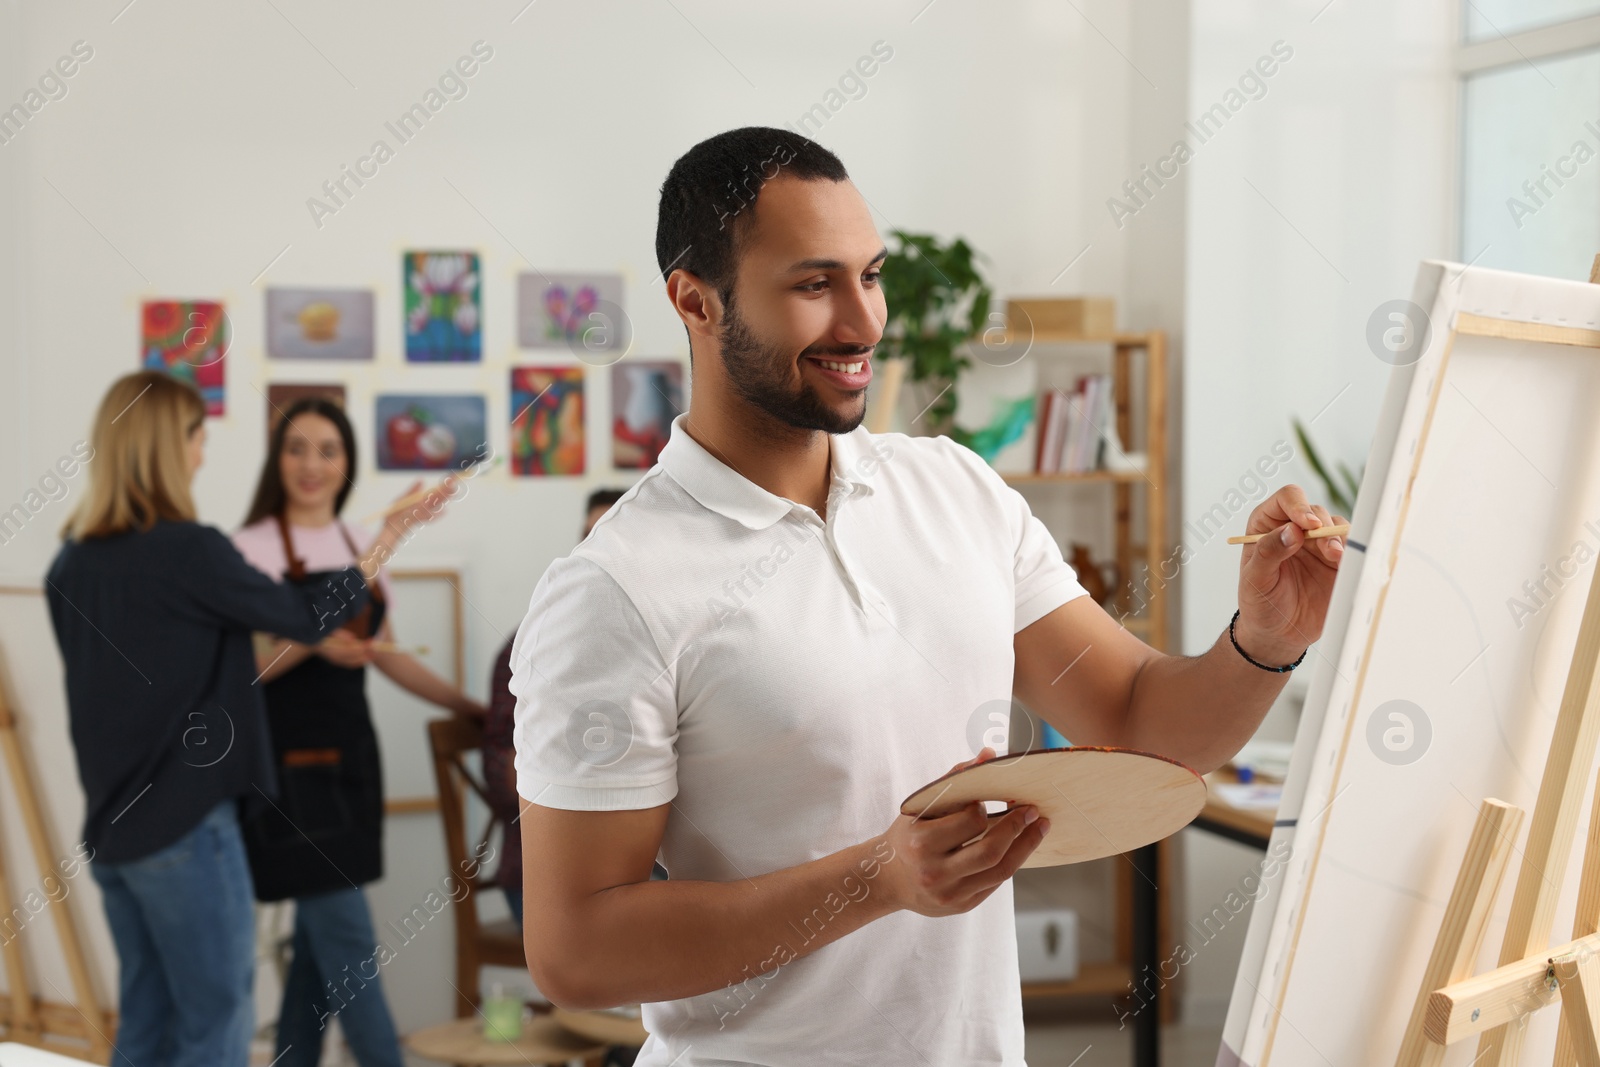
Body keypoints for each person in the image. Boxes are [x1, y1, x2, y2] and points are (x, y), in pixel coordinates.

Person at [510, 127, 1346, 1065]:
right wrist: (878, 876)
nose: (863, 322)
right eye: (813, 283)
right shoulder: (614, 587)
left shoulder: (957, 490)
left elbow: (1144, 724)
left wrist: (1264, 639)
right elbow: (576, 950)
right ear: (695, 301)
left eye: (870, 276)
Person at [45, 371, 423, 1067]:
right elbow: (310, 614)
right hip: (187, 831)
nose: (201, 453)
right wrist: (389, 534)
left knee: (148, 1024)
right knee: (217, 1024)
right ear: (164, 445)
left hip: (112, 834)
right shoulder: (189, 550)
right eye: (194, 436)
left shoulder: (70, 564)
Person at [231, 397, 486, 1067]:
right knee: (350, 953)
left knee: (320, 954)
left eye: (328, 449)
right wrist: (313, 646)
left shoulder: (355, 544)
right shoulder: (248, 548)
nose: (312, 464)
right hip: (286, 774)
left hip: (350, 763)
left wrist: (472, 705)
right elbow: (241, 671)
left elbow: (389, 651)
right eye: (297, 448)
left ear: (346, 463)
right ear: (276, 459)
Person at [484, 487, 628, 928]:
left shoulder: (677, 644)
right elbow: (512, 783)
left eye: (613, 536)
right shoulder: (533, 644)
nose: (598, 552)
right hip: (547, 875)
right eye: (588, 538)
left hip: (651, 869)